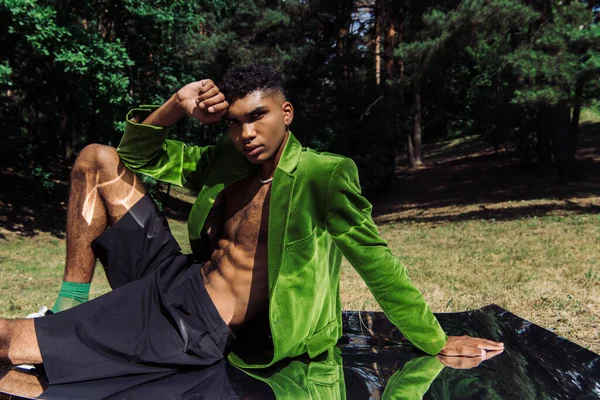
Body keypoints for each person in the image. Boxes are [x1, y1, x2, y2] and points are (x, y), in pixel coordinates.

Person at [0, 65, 503, 384]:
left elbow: (377, 262)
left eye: (257, 117)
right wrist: (177, 107)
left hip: (197, 320)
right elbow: (137, 154)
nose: (245, 133)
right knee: (97, 158)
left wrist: (434, 339)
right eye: (235, 122)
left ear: (286, 113)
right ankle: (66, 305)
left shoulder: (323, 175)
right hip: (176, 277)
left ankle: (53, 332)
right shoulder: (228, 161)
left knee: (9, 342)